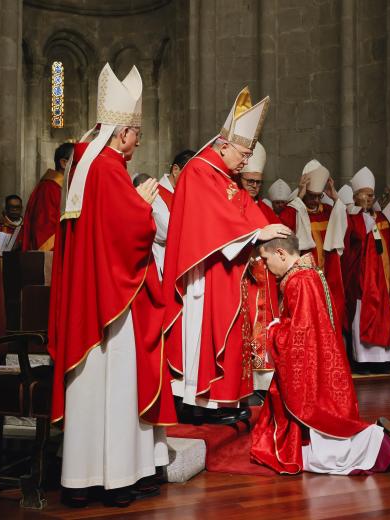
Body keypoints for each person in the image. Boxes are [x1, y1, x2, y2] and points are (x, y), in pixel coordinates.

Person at [48, 63, 175, 508]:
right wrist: (144, 203)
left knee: (91, 387)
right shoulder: (106, 167)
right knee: (117, 383)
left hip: (89, 300)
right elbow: (130, 231)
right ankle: (117, 477)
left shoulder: (85, 162)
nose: (138, 141)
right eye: (137, 133)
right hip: (113, 304)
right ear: (122, 132)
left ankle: (80, 478)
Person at [162, 87, 291, 425]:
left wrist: (275, 241)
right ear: (224, 145)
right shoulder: (200, 171)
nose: (245, 161)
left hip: (224, 269)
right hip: (202, 275)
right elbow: (211, 223)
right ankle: (196, 402)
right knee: (203, 336)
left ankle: (218, 399)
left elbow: (246, 211)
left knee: (230, 333)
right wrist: (256, 235)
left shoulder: (223, 175)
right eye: (244, 154)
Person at [250, 235, 390, 474]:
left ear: (281, 253)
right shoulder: (310, 274)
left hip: (313, 362)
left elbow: (301, 335)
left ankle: (380, 444)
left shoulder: (299, 281)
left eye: (267, 259)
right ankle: (376, 439)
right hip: (323, 358)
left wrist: (273, 330)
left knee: (326, 453)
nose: (266, 266)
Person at [342, 167, 390, 371]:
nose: (369, 198)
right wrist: (367, 213)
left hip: (384, 278)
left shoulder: (381, 217)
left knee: (386, 320)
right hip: (363, 279)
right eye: (365, 194)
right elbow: (356, 236)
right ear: (356, 196)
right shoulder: (352, 217)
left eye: (371, 194)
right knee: (363, 318)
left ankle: (384, 360)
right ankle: (363, 360)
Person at [279, 159, 347, 326]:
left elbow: (347, 229)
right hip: (304, 280)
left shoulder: (329, 212)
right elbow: (283, 225)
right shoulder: (296, 212)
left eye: (319, 196)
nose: (316, 201)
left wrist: (335, 197)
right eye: (311, 196)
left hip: (327, 278)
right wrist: (300, 197)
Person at [238, 141, 279, 393]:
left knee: (266, 324)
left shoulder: (265, 208)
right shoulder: (233, 203)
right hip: (244, 275)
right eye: (249, 181)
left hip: (266, 276)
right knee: (248, 325)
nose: (254, 186)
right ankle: (246, 383)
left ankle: (263, 383)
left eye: (258, 182)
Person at [149, 150, 195, 280]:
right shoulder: (155, 193)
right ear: (175, 170)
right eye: (191, 175)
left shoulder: (189, 195)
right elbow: (167, 232)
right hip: (162, 266)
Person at [21, 142, 73, 251]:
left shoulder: (62, 188)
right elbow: (44, 234)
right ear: (64, 163)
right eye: (78, 163)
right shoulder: (49, 189)